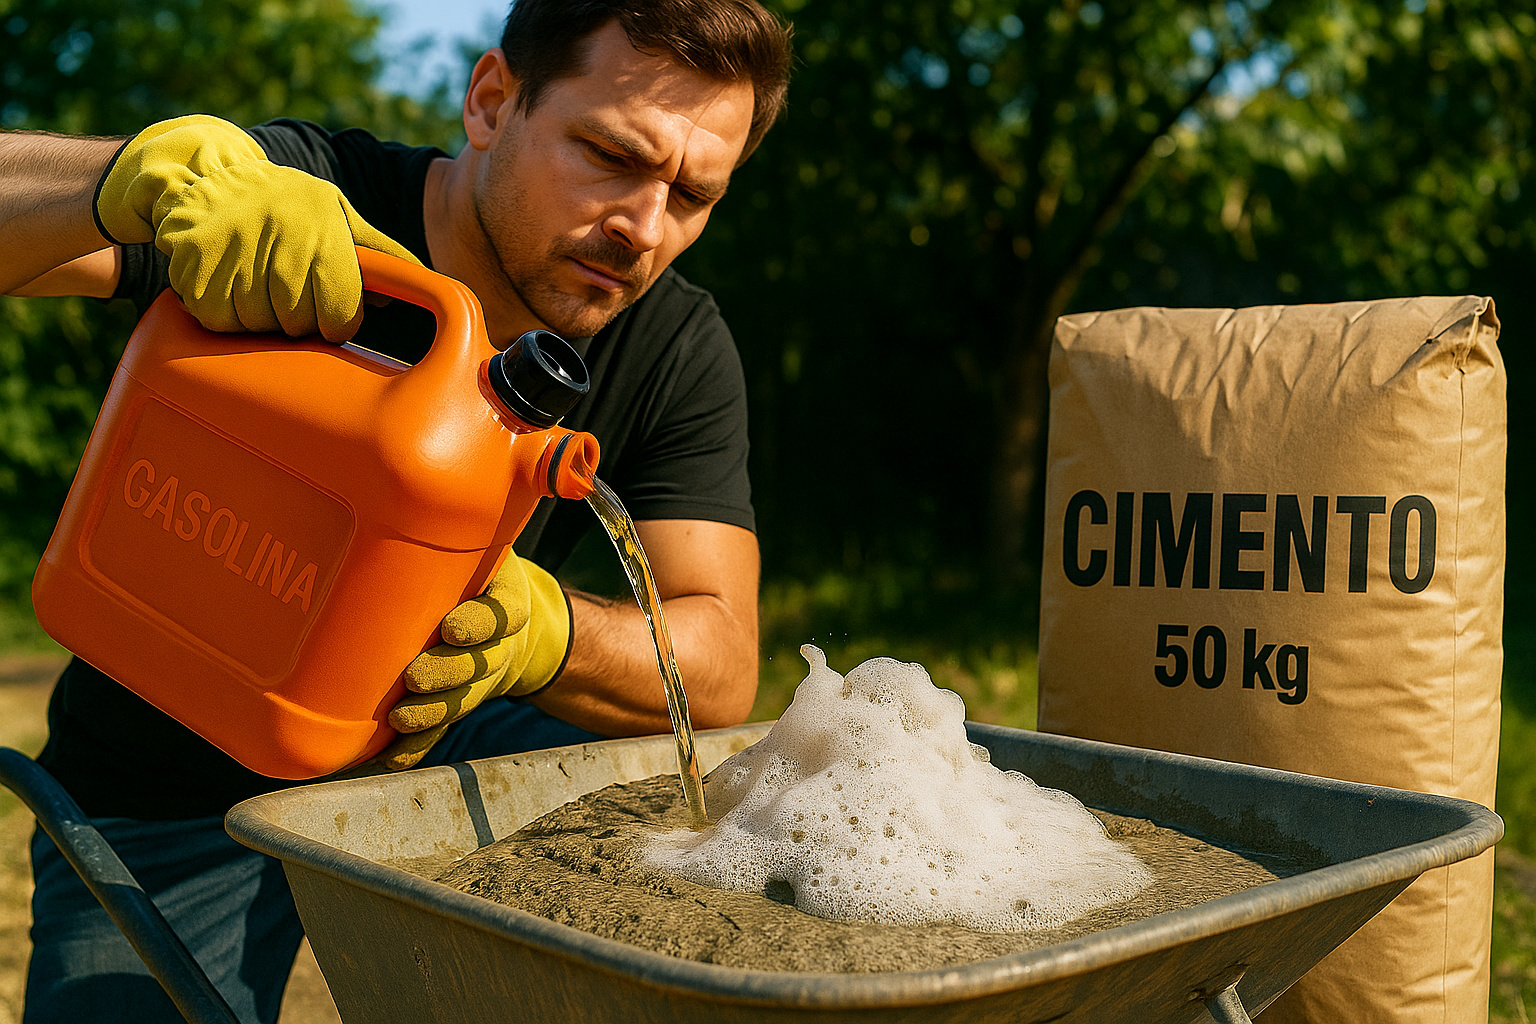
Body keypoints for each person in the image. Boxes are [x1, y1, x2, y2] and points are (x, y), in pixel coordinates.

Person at [0, 0, 793, 1018]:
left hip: (439, 754)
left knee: (714, 850)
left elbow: (719, 659)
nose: (642, 227)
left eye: (693, 193)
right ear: (493, 101)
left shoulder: (674, 347)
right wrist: (128, 185)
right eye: (608, 154)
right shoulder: (301, 204)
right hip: (164, 782)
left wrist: (550, 635)